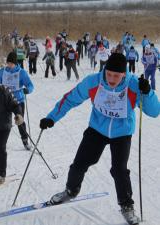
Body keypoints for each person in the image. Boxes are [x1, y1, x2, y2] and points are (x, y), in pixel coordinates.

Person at [39, 53, 159, 225]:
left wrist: (147, 93)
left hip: (122, 132)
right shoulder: (94, 81)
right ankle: (70, 190)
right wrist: (52, 118)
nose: (111, 79)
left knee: (119, 170)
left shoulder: (133, 85)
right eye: (108, 74)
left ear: (124, 74)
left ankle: (126, 205)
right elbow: (70, 98)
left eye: (116, 76)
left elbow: (154, 112)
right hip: (97, 129)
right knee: (79, 164)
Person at [0, 52, 34, 150]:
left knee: (20, 120)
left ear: (15, 63)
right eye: (8, 63)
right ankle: (0, 142)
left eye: (11, 63)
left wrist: (27, 90)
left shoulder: (21, 72)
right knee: (3, 121)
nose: (9, 65)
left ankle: (25, 140)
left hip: (18, 100)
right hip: (5, 100)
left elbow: (30, 85)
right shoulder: (2, 71)